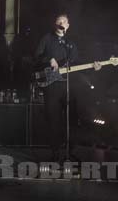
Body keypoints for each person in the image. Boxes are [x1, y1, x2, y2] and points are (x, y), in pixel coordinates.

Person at [35, 14, 100, 160]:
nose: (61, 23)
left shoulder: (70, 44)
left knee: (71, 118)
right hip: (51, 85)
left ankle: (70, 151)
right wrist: (48, 59)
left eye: (63, 21)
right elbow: (37, 56)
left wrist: (92, 67)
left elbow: (77, 63)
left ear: (68, 26)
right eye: (58, 21)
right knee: (53, 119)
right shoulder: (47, 39)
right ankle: (55, 152)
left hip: (68, 85)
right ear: (54, 24)